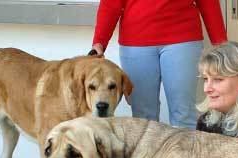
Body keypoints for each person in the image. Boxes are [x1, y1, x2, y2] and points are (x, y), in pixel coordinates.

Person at [89, 0, 227, 129]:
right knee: (143, 118)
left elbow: (208, 2)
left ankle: (184, 155)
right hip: (136, 41)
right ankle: (148, 156)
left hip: (183, 37)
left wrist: (221, 45)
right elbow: (111, 3)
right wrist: (99, 43)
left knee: (183, 114)